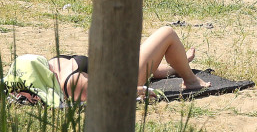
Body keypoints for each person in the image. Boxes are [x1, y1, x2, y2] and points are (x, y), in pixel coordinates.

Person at [49, 25, 209, 102]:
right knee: (167, 33)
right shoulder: (69, 81)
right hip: (123, 79)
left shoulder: (52, 69)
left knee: (148, 59)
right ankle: (191, 81)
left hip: (110, 70)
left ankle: (178, 65)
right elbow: (105, 95)